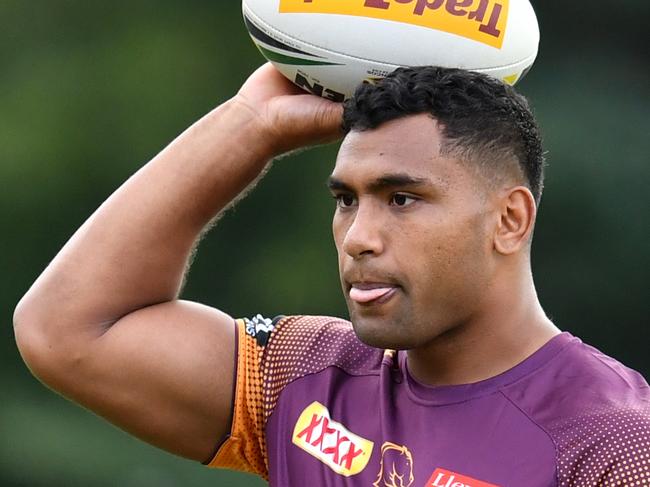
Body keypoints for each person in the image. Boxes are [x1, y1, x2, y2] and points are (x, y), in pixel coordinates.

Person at [13, 64, 650, 486]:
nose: (359, 238)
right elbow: (65, 330)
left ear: (509, 219)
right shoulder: (305, 377)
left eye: (401, 199)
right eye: (346, 199)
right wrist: (250, 126)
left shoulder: (611, 442)